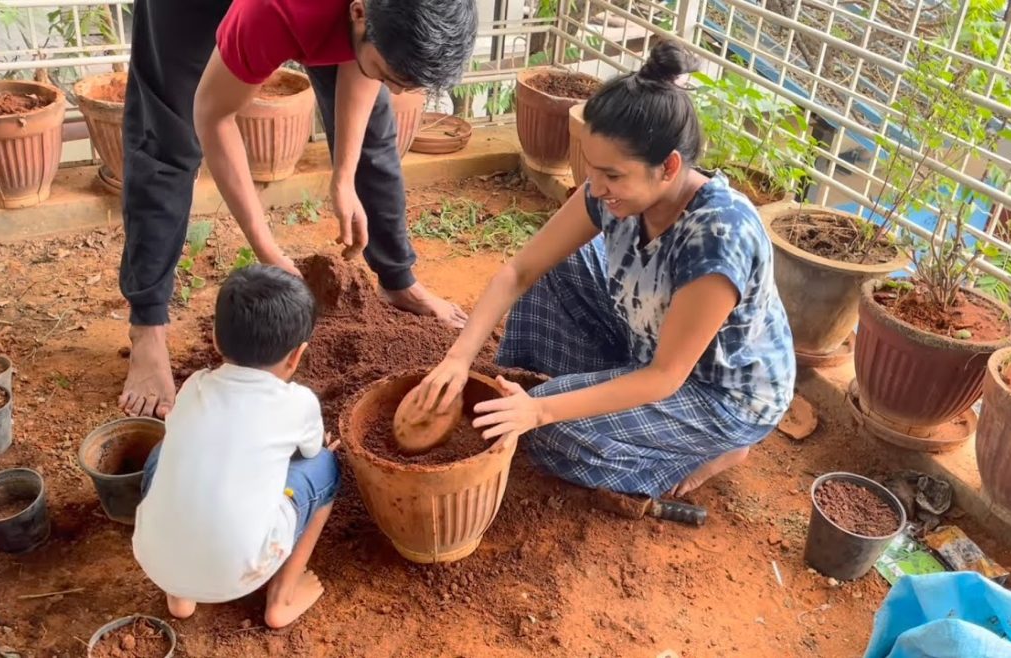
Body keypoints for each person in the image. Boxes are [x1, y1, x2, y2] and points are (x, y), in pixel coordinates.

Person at [412, 42, 796, 499]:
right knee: (557, 266)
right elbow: (520, 271)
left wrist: (540, 412)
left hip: (715, 394)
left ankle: (715, 449)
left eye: (612, 176)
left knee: (546, 435)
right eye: (591, 168)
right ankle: (553, 391)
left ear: (669, 167)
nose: (595, 188)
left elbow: (664, 377)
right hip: (647, 343)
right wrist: (458, 358)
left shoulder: (716, 238)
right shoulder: (616, 193)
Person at [118, 0, 478, 419]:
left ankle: (397, 280)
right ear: (360, 14)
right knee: (168, 141)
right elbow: (213, 114)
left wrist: (343, 177)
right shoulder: (276, 11)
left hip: (337, 18)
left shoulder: (380, 19)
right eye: (390, 74)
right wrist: (265, 246)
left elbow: (361, 68)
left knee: (372, 127)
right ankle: (147, 329)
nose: (397, 90)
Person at [132, 265, 339, 629]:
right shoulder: (298, 402)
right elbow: (308, 452)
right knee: (326, 468)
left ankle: (180, 597)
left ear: (215, 337)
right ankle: (281, 598)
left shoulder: (194, 385)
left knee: (165, 452)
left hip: (155, 561)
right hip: (245, 570)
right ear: (297, 355)